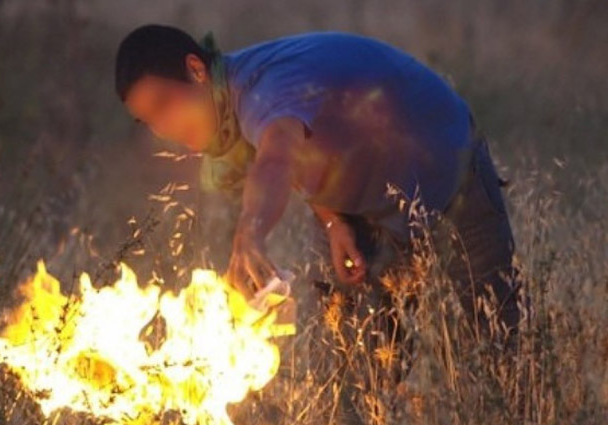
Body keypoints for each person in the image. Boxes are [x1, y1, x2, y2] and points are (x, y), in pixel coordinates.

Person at [114, 24, 520, 331]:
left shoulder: (261, 89)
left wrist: (250, 233)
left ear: (195, 69)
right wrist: (332, 220)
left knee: (498, 343)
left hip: (448, 172)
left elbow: (277, 157)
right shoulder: (223, 115)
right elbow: (308, 147)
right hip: (360, 204)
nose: (162, 128)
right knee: (354, 371)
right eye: (148, 119)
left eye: (164, 105)